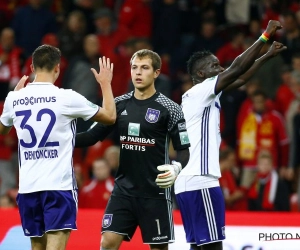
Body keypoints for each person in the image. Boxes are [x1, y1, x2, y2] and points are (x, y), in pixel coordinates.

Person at [175, 20, 286, 250]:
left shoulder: (201, 95)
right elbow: (236, 68)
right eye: (215, 66)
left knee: (199, 247)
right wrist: (264, 37)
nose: (221, 69)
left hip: (188, 184)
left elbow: (241, 78)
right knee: (214, 247)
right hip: (201, 181)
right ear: (201, 73)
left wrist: (266, 57)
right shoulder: (200, 91)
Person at [0, 44, 116, 250]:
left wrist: (14, 98)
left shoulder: (14, 98)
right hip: (58, 186)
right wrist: (105, 83)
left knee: (37, 247)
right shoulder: (67, 97)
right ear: (57, 68)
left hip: (28, 188)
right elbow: (109, 117)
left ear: (32, 68)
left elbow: (3, 130)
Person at [75, 49, 190, 250]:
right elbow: (92, 136)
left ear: (156, 73)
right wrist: (59, 140)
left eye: (144, 68)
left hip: (156, 192)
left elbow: (184, 149)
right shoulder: (118, 104)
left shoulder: (170, 108)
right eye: (134, 67)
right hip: (123, 190)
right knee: (107, 242)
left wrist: (177, 168)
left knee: (159, 248)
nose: (138, 72)